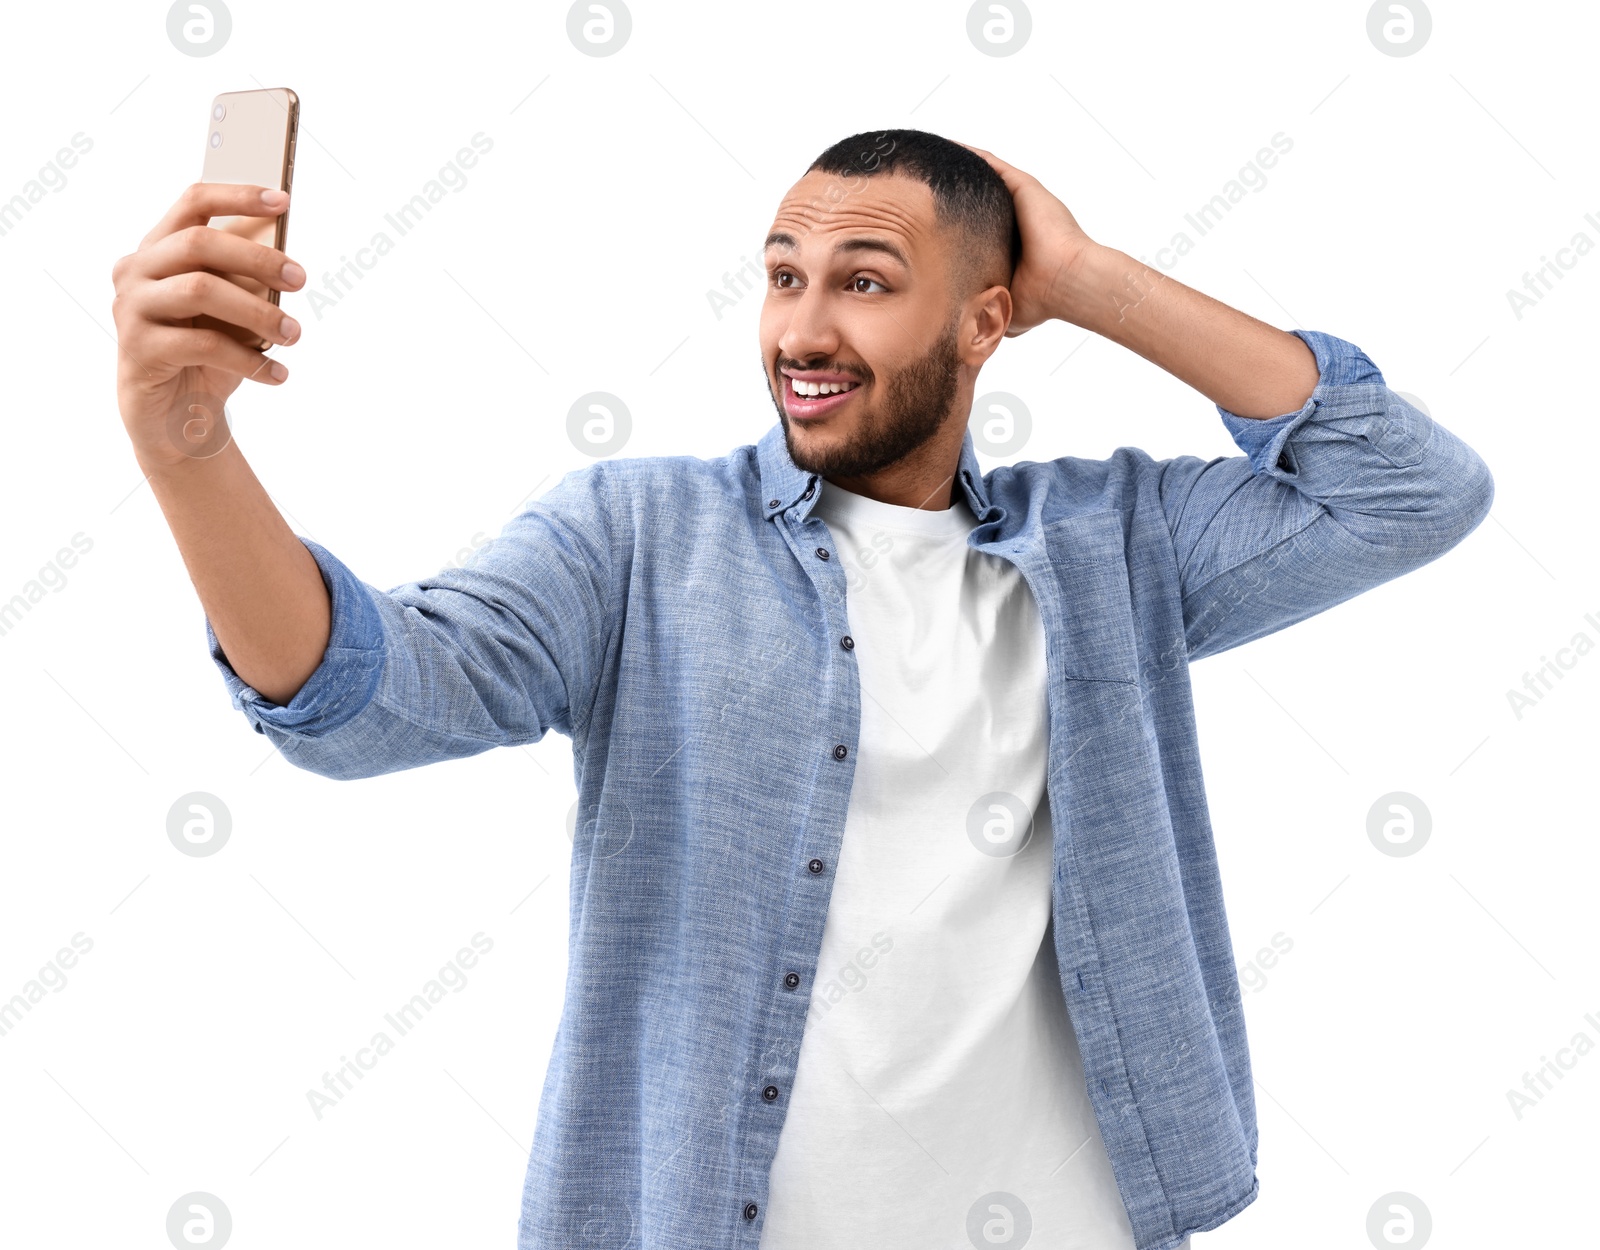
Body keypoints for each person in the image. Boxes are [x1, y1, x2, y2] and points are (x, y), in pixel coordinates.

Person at [111, 128, 1493, 1250]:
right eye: (784, 275)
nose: (804, 328)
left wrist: (1094, 281)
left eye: (868, 280)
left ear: (986, 320)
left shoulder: (1113, 546)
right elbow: (367, 699)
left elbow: (1411, 492)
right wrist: (187, 451)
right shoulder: (639, 537)